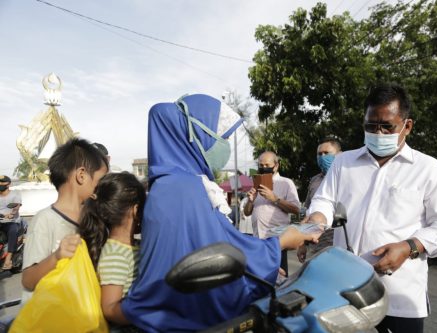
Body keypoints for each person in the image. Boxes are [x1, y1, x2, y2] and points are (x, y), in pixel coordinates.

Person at [120, 94, 318, 332]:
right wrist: (280, 244)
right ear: (194, 136)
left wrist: (260, 266)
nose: (223, 145)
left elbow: (210, 245)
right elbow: (220, 248)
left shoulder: (170, 185)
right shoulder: (183, 188)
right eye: (219, 137)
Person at [304, 83, 437, 333]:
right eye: (370, 126)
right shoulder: (344, 163)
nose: (378, 133)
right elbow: (324, 200)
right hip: (342, 289)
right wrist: (316, 218)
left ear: (407, 126)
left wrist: (409, 247)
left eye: (387, 126)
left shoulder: (428, 169)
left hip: (398, 294)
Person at [21, 138, 109, 301]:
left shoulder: (95, 217)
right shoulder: (45, 220)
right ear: (81, 175)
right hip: (51, 320)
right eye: (100, 180)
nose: (102, 187)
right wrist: (57, 256)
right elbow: (28, 280)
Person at [79, 172, 146, 330]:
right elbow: (109, 309)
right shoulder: (116, 254)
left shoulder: (136, 245)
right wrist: (146, 313)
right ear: (136, 210)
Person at [244, 151, 301, 275]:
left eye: (267, 165)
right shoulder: (256, 183)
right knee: (260, 277)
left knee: (279, 279)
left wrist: (275, 199)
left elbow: (296, 209)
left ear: (276, 166)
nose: (264, 168)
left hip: (277, 242)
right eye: (261, 165)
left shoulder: (286, 183)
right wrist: (250, 201)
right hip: (258, 241)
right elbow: (247, 213)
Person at [301, 137, 342, 257]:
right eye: (319, 154)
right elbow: (307, 212)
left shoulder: (348, 179)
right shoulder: (314, 181)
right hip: (317, 244)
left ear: (339, 155)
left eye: (326, 153)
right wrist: (302, 244)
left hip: (341, 245)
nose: (322, 157)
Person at [0, 175, 22, 270]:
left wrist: (11, 214)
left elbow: (16, 207)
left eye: (2, 183)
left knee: (13, 230)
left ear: (8, 184)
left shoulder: (15, 195)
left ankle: (8, 259)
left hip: (11, 222)